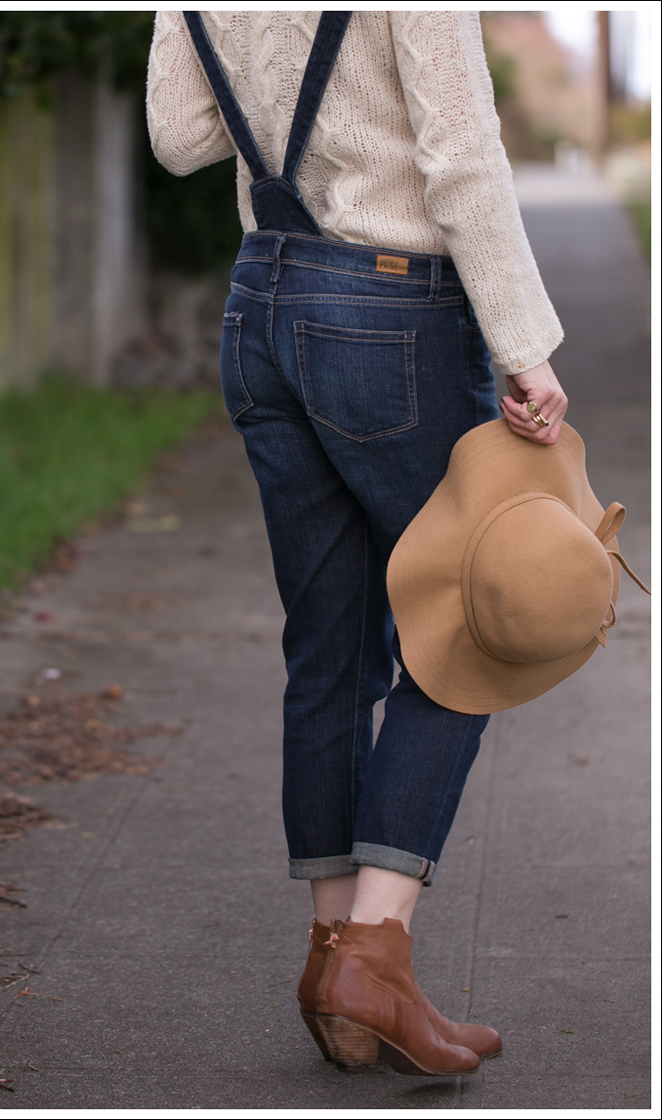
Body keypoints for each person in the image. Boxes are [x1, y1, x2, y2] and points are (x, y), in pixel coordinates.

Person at [146, 11, 568, 1075]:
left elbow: (180, 139)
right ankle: (373, 953)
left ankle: (337, 966)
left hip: (262, 309)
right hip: (390, 315)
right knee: (474, 624)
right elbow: (461, 155)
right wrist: (525, 347)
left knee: (328, 649)